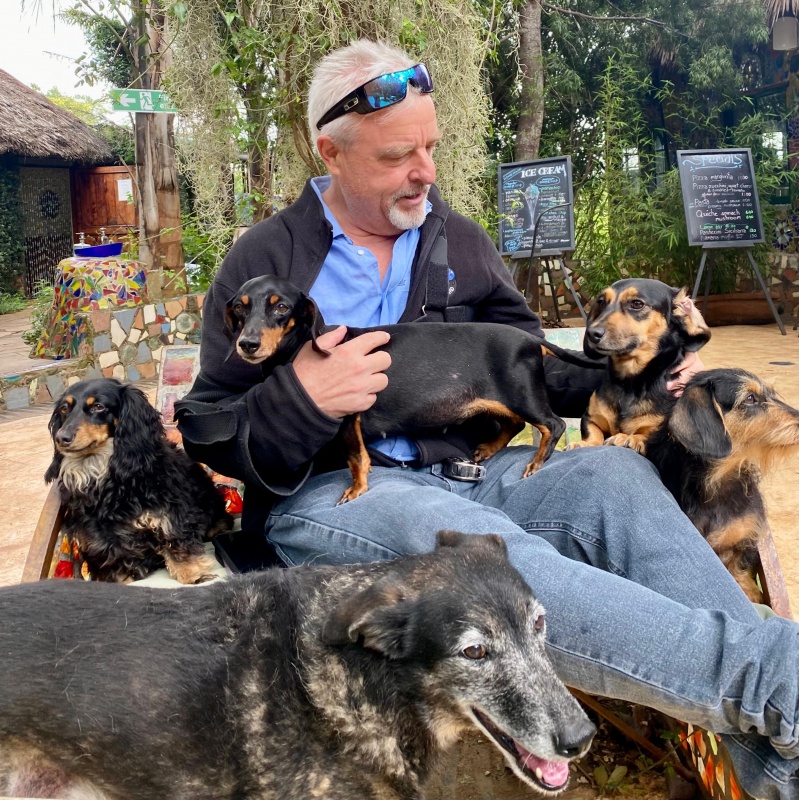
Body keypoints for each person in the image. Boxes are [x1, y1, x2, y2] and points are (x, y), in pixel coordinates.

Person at [176, 39, 799, 800]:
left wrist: (654, 366)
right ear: (329, 152)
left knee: (613, 474)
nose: (425, 172)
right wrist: (304, 397)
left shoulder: (460, 242)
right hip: (343, 492)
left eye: (430, 148)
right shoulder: (264, 259)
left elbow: (533, 366)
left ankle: (779, 751)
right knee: (489, 557)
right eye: (398, 156)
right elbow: (208, 425)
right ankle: (782, 680)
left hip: (483, 469)